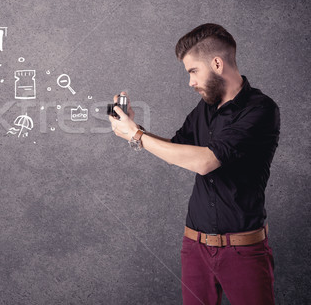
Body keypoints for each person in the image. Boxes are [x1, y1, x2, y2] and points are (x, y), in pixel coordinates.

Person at [108, 23, 280, 305]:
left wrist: (136, 136)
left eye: (193, 71)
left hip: (243, 251)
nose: (190, 82)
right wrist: (133, 128)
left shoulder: (261, 110)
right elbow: (177, 148)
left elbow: (206, 161)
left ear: (216, 63)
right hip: (194, 247)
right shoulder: (205, 108)